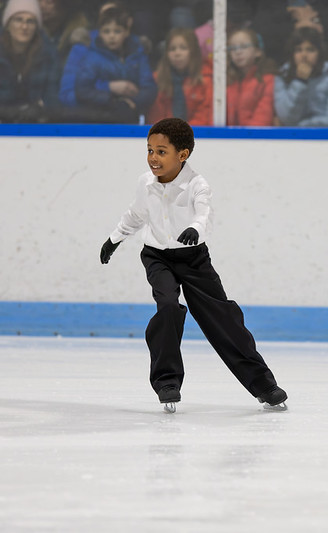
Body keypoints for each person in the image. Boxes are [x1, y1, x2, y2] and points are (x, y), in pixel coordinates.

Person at [99, 117, 289, 412]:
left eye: (161, 152)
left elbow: (204, 214)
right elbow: (136, 214)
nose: (153, 158)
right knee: (168, 308)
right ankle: (167, 381)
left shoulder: (197, 184)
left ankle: (263, 385)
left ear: (183, 154)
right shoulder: (145, 183)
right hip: (157, 256)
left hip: (194, 260)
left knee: (223, 319)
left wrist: (196, 230)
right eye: (149, 150)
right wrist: (114, 239)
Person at [0, 0, 60, 123]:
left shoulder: (49, 55)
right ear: (7, 24)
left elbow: (53, 98)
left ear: (37, 27)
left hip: (37, 128)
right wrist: (0, 113)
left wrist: (39, 110)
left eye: (30, 21)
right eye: (18, 20)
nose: (24, 27)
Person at [73, 4, 156, 123]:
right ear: (99, 33)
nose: (112, 36)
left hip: (132, 116)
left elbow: (149, 88)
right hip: (100, 118)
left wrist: (133, 102)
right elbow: (82, 90)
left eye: (117, 31)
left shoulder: (138, 55)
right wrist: (111, 99)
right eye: (106, 31)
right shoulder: (92, 57)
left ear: (126, 32)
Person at [274, 26, 328, 127]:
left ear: (319, 53)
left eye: (310, 50)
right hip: (291, 139)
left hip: (325, 139)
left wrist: (303, 126)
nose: (304, 55)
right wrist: (300, 81)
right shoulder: (282, 76)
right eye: (298, 50)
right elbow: (286, 118)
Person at [146, 27, 211, 126]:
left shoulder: (206, 79)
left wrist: (184, 132)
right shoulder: (157, 79)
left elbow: (204, 116)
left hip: (198, 136)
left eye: (183, 48)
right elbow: (155, 117)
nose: (177, 53)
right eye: (172, 49)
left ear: (193, 51)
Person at [226, 27, 276, 126]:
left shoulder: (268, 80)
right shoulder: (228, 80)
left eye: (244, 46)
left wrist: (244, 138)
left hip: (255, 138)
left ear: (258, 51)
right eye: (233, 48)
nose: (238, 52)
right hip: (229, 139)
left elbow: (263, 117)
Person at [38, 0, 89, 67]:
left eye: (49, 2)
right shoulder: (33, 31)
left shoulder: (78, 37)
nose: (41, 6)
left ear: (64, 6)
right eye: (39, 1)